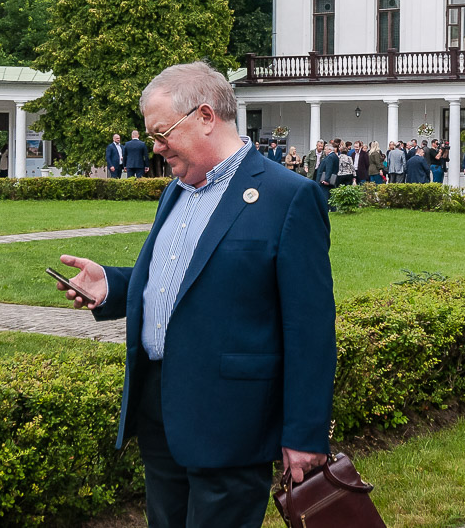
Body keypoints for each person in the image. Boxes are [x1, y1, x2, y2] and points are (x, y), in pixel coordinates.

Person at [56, 62, 334, 527]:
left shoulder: (289, 197)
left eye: (162, 133)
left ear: (206, 116)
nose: (155, 147)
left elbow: (310, 328)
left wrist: (305, 433)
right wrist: (114, 286)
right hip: (160, 412)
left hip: (232, 424)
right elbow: (184, 280)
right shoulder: (176, 190)